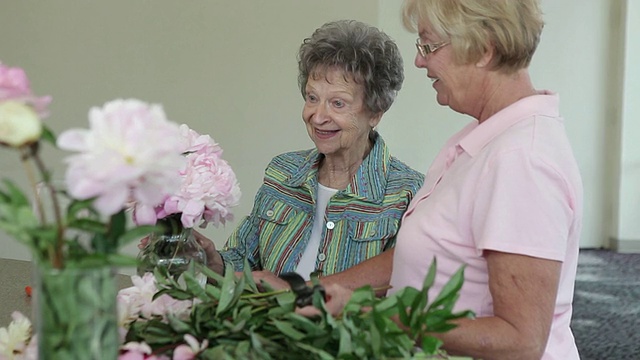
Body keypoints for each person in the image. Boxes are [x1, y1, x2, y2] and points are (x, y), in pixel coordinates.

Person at [314, 1, 584, 359]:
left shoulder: (522, 161)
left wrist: (370, 314)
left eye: (429, 45)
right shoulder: (484, 137)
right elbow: (428, 257)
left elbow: (520, 340)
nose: (420, 61)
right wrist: (315, 291)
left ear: (484, 49)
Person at [199, 19, 424, 291]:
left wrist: (301, 296)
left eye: (337, 103)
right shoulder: (283, 172)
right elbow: (245, 263)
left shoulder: (406, 193)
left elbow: (400, 295)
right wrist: (212, 261)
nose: (317, 117)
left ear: (376, 112)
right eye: (312, 97)